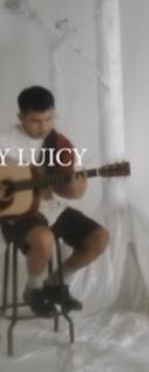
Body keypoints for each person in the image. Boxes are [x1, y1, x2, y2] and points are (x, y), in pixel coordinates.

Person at [0, 86, 110, 317]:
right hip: (17, 214)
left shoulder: (59, 144)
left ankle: (56, 282)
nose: (43, 127)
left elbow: (74, 193)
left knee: (99, 238)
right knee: (44, 239)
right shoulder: (4, 141)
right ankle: (33, 290)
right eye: (36, 121)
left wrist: (75, 187)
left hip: (51, 209)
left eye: (49, 119)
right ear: (21, 117)